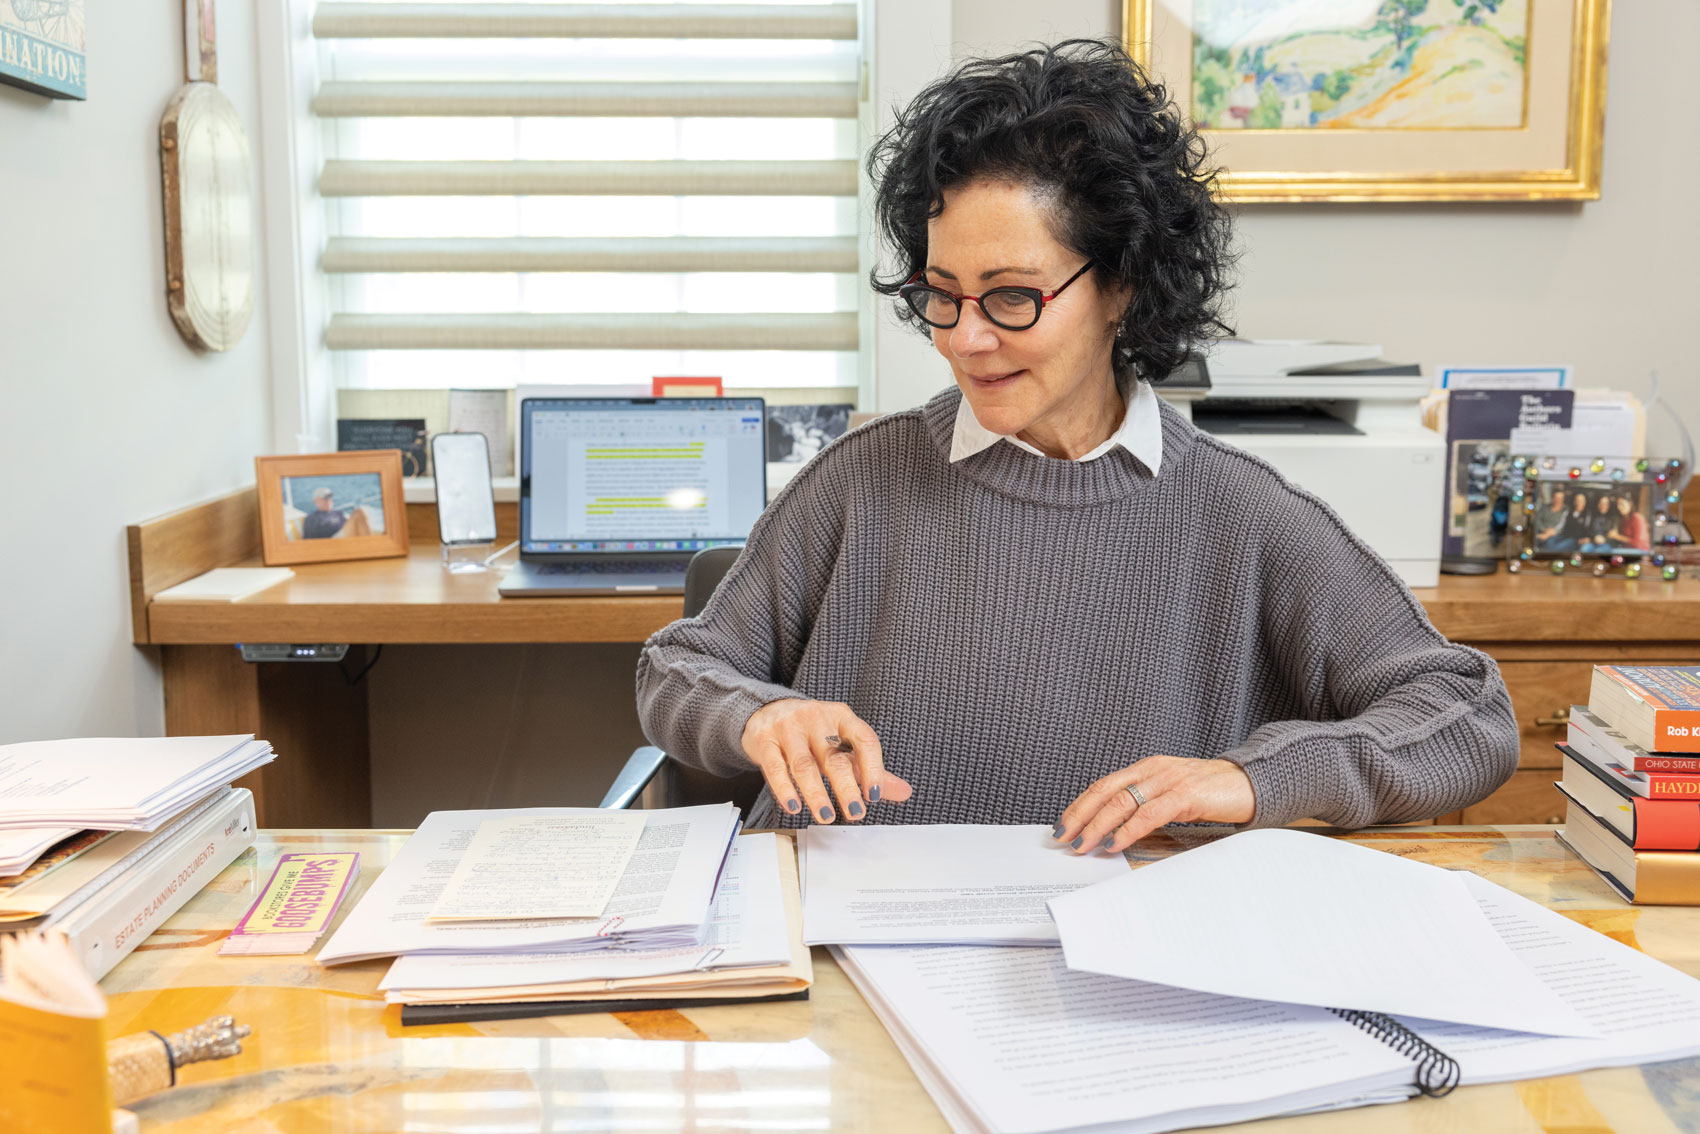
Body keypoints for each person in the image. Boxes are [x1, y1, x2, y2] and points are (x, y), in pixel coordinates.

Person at [635, 41, 1517, 851]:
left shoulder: (1243, 515)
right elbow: (677, 669)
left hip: (1111, 947)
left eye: (1011, 297)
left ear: (1123, 285)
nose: (965, 339)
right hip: (836, 934)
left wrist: (1256, 778)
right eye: (941, 293)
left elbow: (1468, 714)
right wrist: (758, 716)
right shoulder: (860, 481)